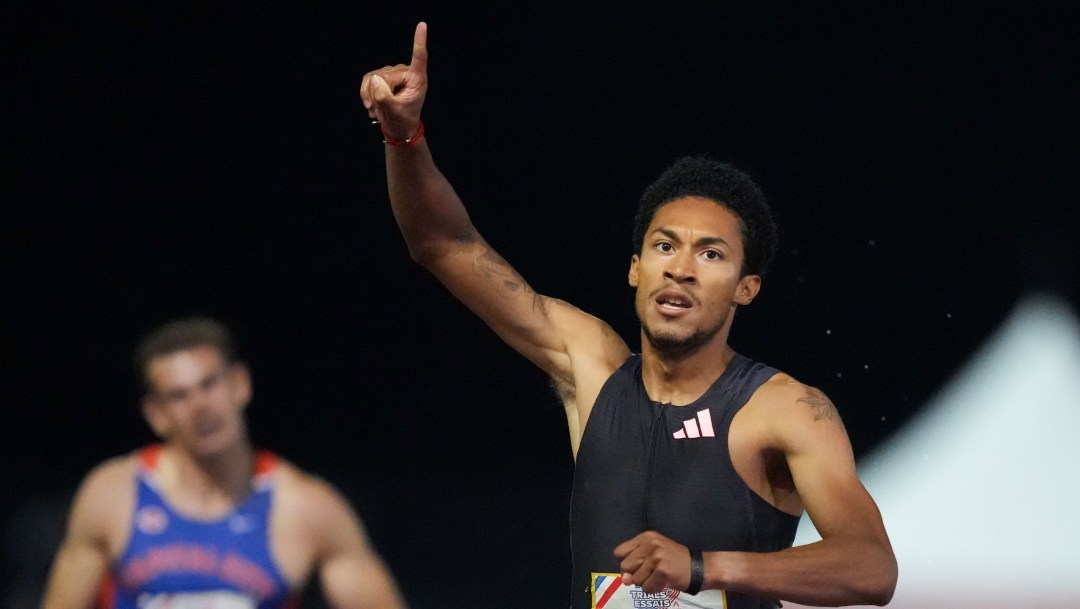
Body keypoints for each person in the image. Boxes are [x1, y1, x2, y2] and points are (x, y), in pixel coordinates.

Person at [361, 22, 898, 609]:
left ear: (747, 288)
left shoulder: (785, 409)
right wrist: (404, 139)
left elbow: (872, 568)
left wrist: (700, 567)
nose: (681, 269)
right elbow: (443, 245)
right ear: (636, 267)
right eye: (665, 247)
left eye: (710, 254)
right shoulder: (591, 368)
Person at [40, 318, 408, 609]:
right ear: (156, 415)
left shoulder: (307, 508)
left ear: (240, 384)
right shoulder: (112, 494)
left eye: (210, 384)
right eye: (179, 395)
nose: (201, 406)